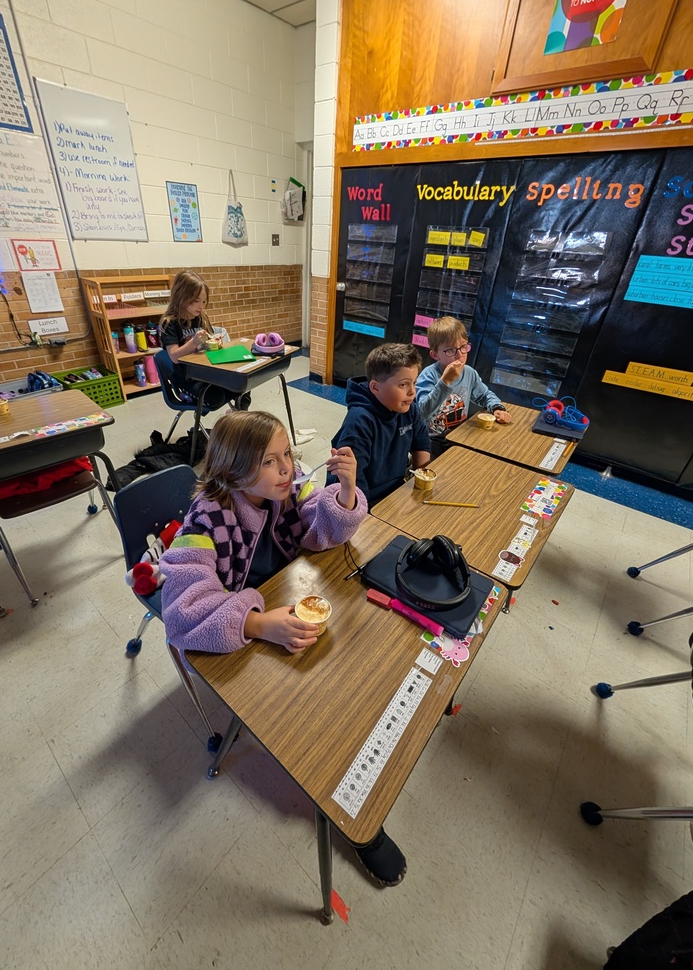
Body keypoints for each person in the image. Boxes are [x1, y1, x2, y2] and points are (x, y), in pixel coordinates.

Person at [159, 410, 407, 886]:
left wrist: (348, 491)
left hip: (279, 613)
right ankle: (356, 817)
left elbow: (324, 528)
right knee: (313, 718)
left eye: (287, 455)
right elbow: (183, 613)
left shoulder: (285, 493)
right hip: (241, 636)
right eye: (270, 462)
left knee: (355, 672)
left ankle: (359, 788)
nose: (288, 469)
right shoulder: (207, 519)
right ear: (231, 470)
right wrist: (255, 623)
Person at [329, 342, 431, 507]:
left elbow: (422, 444)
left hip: (396, 492)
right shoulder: (359, 422)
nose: (412, 391)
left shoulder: (409, 408)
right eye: (403, 384)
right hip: (366, 501)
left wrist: (421, 483)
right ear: (375, 387)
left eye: (414, 382)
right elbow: (353, 482)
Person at [415, 316, 511, 459]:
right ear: (435, 355)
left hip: (459, 435)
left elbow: (484, 395)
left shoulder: (469, 373)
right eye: (450, 350)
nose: (459, 355)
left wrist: (497, 407)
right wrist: (445, 381)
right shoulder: (428, 376)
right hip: (431, 439)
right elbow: (423, 412)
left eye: (463, 347)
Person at [159, 270, 250, 411]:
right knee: (216, 398)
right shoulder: (170, 323)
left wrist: (215, 342)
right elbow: (175, 357)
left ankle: (236, 418)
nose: (201, 306)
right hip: (187, 379)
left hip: (206, 373)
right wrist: (194, 342)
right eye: (196, 301)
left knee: (244, 384)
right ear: (181, 296)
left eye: (204, 301)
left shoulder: (201, 317)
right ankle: (188, 396)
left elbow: (208, 346)